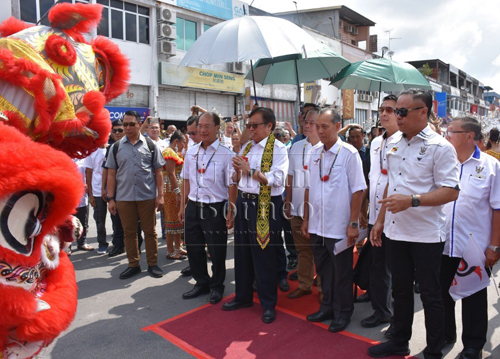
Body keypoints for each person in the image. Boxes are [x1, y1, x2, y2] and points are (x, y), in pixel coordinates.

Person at [368, 89, 460, 359]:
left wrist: (413, 201)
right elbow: (389, 184)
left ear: (423, 112)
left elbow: (451, 191)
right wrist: (380, 221)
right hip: (396, 231)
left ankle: (433, 350)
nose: (397, 116)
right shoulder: (394, 142)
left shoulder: (440, 147)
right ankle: (399, 340)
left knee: (431, 295)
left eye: (403, 111)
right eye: (397, 110)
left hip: (426, 234)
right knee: (400, 290)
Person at [300, 108, 366, 333]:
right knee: (324, 271)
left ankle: (343, 312)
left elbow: (358, 190)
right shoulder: (314, 152)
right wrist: (306, 219)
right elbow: (310, 187)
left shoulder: (349, 153)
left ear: (338, 127)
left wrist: (353, 223)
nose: (319, 131)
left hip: (339, 227)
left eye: (324, 126)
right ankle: (327, 307)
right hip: (318, 225)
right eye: (317, 126)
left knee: (342, 273)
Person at [222, 107, 288, 324]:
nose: (250, 129)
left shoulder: (278, 148)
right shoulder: (248, 146)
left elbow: (276, 179)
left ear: (269, 126)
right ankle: (243, 297)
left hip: (265, 205)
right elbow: (238, 177)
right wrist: (237, 171)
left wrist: (249, 170)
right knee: (242, 253)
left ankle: (269, 304)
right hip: (244, 201)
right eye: (249, 125)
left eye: (255, 125)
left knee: (264, 254)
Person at [441, 117, 500, 359]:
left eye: (451, 132)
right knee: (441, 294)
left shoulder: (491, 166)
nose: (446, 136)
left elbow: (498, 208)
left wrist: (494, 246)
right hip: (442, 243)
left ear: (469, 136)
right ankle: (445, 334)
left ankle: (473, 345)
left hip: (474, 247)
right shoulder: (443, 163)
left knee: (474, 297)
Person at [179, 112, 237, 304]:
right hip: (193, 206)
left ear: (217, 128)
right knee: (194, 247)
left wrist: (231, 209)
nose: (202, 130)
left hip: (215, 208)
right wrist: (182, 206)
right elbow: (185, 179)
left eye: (207, 126)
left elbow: (231, 185)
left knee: (216, 249)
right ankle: (201, 282)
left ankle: (216, 286)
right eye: (200, 126)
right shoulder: (191, 152)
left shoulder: (226, 154)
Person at [106, 110, 166, 280]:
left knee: (150, 231)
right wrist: (111, 198)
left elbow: (158, 172)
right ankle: (133, 264)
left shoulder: (150, 145)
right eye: (125, 124)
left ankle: (152, 264)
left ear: (140, 125)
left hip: (146, 197)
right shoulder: (115, 147)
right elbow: (111, 174)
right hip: (124, 198)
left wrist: (160, 195)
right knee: (129, 232)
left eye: (131, 124)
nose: (127, 127)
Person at [360, 95, 399, 329]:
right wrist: (364, 210)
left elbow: (393, 182)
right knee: (376, 262)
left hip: (393, 216)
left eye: (390, 110)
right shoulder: (375, 142)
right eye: (381, 109)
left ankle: (384, 310)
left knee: (388, 265)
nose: (384, 114)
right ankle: (377, 297)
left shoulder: (404, 142)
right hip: (374, 213)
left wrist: (382, 218)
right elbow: (372, 179)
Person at [285, 106, 323, 300]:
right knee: (302, 250)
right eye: (305, 122)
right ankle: (305, 284)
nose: (307, 126)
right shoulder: (297, 146)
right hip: (298, 207)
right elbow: (290, 176)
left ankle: (324, 290)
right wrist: (287, 199)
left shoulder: (328, 147)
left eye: (312, 123)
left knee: (321, 252)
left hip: (319, 211)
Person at [162, 130, 187, 260]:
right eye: (183, 142)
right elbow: (171, 174)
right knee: (171, 219)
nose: (184, 145)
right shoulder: (168, 152)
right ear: (176, 141)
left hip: (175, 188)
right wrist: (177, 192)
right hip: (171, 189)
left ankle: (178, 247)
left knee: (177, 219)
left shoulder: (175, 152)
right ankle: (170, 251)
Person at [102, 119, 125, 257]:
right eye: (114, 130)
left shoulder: (137, 144)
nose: (117, 133)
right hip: (115, 189)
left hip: (131, 189)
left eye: (120, 130)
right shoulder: (111, 148)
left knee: (134, 220)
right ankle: (118, 245)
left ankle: (134, 245)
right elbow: (106, 170)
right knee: (116, 218)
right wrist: (104, 189)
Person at [84, 144, 109, 254]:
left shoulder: (113, 148)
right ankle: (102, 243)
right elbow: (88, 174)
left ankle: (118, 243)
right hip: (97, 191)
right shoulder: (92, 151)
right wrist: (91, 195)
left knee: (117, 219)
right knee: (100, 220)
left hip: (113, 191)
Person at [73, 158, 92, 252]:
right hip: (69, 194)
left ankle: (82, 242)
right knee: (68, 222)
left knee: (83, 220)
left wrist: (88, 185)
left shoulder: (84, 158)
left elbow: (89, 173)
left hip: (82, 195)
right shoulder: (64, 157)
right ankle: (67, 246)